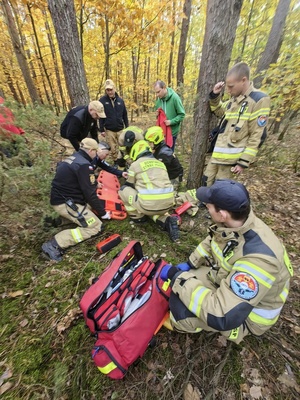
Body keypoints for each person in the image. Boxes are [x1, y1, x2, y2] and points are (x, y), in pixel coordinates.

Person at [159, 179, 293, 343]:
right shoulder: (239, 224)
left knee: (180, 312)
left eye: (209, 205)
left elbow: (222, 315)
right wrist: (191, 263)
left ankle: (181, 323)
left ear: (222, 215)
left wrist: (178, 278)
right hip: (225, 279)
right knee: (185, 283)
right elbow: (214, 241)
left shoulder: (259, 260)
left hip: (245, 317)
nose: (206, 207)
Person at [42, 139, 123, 262]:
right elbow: (90, 194)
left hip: (62, 198)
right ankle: (55, 245)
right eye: (96, 152)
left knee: (89, 210)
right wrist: (103, 213)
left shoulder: (74, 158)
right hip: (66, 203)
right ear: (91, 150)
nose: (96, 155)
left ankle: (57, 220)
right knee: (95, 226)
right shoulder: (84, 165)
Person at [203, 62, 270, 187]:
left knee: (221, 189)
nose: (228, 90)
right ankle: (205, 206)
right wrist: (215, 95)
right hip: (217, 154)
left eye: (231, 86)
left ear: (243, 80)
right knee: (206, 181)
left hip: (231, 159)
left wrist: (243, 161)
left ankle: (216, 207)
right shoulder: (234, 100)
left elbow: (257, 134)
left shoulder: (259, 100)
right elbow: (218, 110)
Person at [118, 140, 180, 242]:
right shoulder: (160, 163)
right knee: (153, 206)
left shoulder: (135, 165)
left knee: (123, 190)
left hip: (147, 206)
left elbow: (128, 184)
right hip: (168, 205)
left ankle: (138, 217)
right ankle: (166, 220)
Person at [99, 79, 129, 164]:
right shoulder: (102, 101)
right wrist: (101, 129)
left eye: (111, 89)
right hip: (109, 130)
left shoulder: (120, 101)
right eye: (107, 90)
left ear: (114, 89)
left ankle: (123, 161)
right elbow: (101, 116)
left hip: (120, 128)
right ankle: (116, 161)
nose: (109, 92)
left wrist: (127, 126)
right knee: (112, 148)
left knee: (122, 146)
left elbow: (125, 114)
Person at [154, 80, 185, 151]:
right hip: (161, 132)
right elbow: (158, 115)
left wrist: (171, 122)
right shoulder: (159, 100)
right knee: (160, 153)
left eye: (158, 92)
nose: (157, 95)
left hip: (172, 132)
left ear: (164, 88)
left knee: (168, 154)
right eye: (156, 93)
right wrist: (157, 115)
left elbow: (182, 115)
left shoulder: (175, 98)